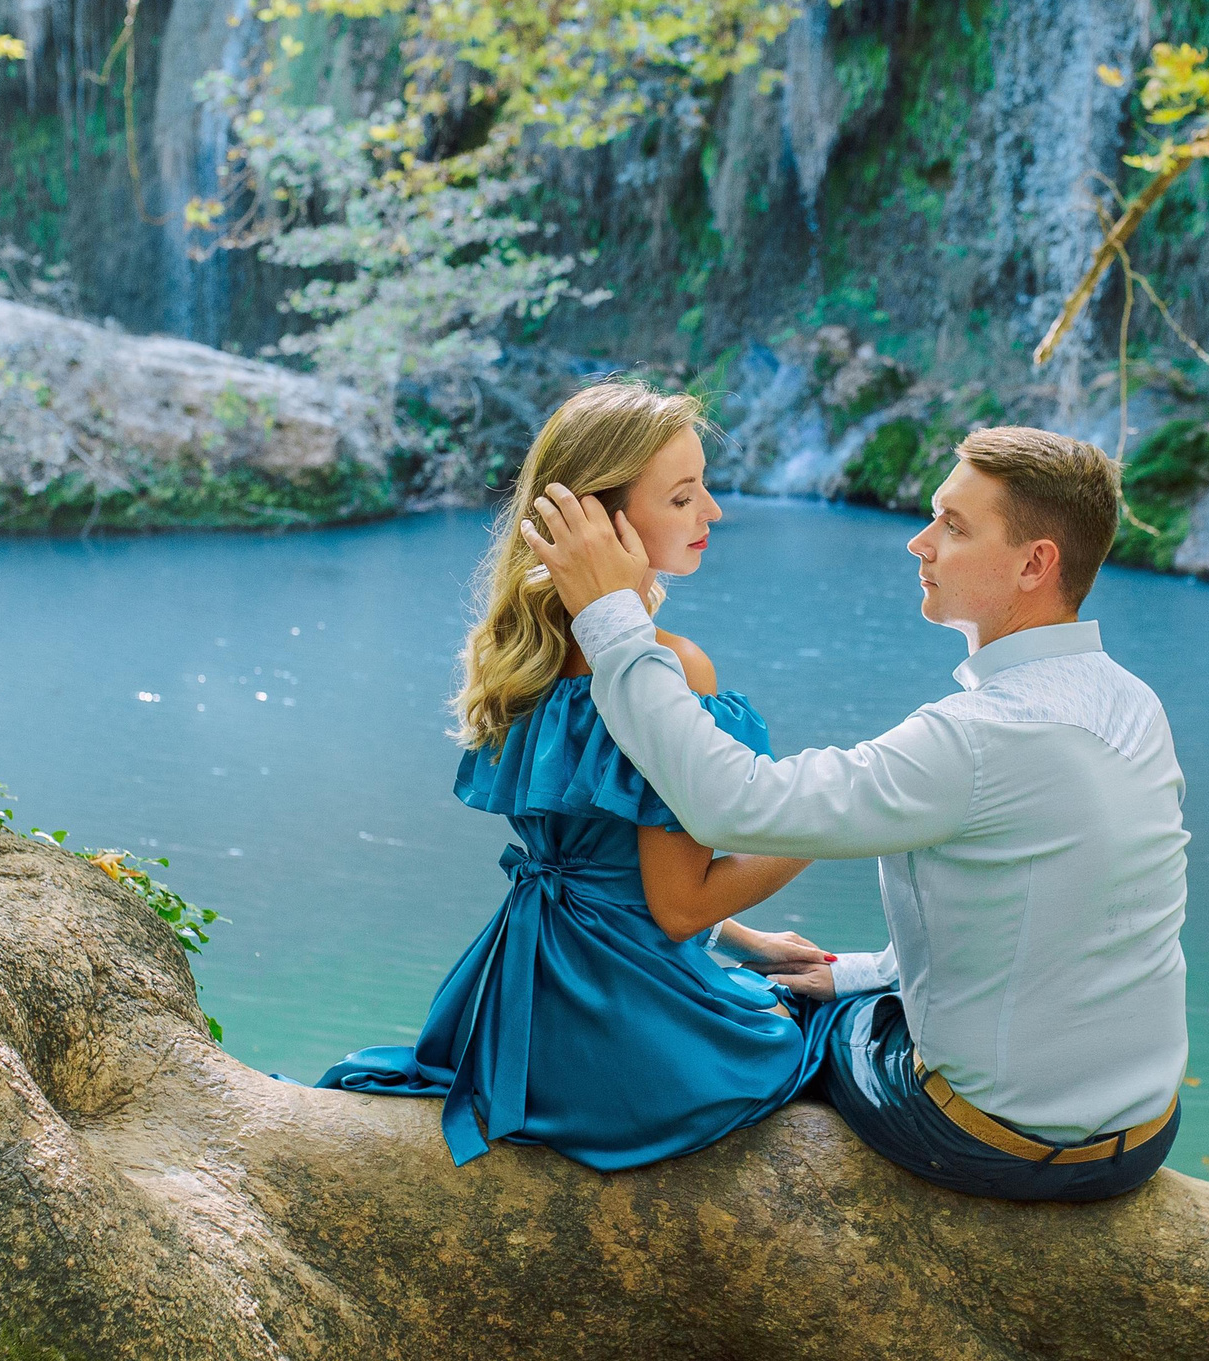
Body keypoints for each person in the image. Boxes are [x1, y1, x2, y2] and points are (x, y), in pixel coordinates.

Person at [524, 426, 1190, 1202]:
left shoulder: (975, 740)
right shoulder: (1132, 703)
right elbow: (1063, 921)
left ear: (1035, 563)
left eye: (953, 525)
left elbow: (726, 805)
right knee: (825, 989)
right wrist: (862, 973)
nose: (920, 542)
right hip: (1143, 1127)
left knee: (767, 1027)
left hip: (995, 1139)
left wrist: (610, 618)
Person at [315, 380, 841, 1170]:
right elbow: (675, 903)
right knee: (826, 1025)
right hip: (628, 1029)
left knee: (784, 983)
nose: (713, 513)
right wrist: (824, 819)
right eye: (683, 496)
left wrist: (750, 943)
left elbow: (607, 869)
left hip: (515, 1003)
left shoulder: (527, 653)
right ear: (603, 519)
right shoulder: (669, 670)